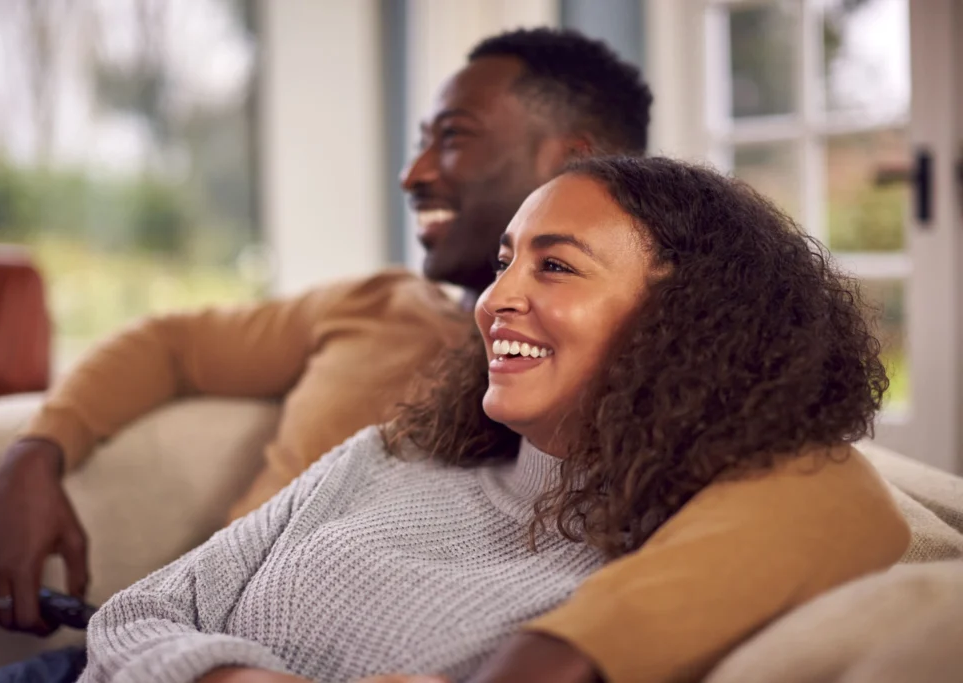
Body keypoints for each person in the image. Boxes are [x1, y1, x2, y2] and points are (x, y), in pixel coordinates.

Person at [77, 156, 908, 683]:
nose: (498, 297)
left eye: (555, 265)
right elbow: (128, 619)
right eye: (506, 260)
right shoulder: (385, 460)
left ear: (691, 319)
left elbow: (852, 501)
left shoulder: (684, 554)